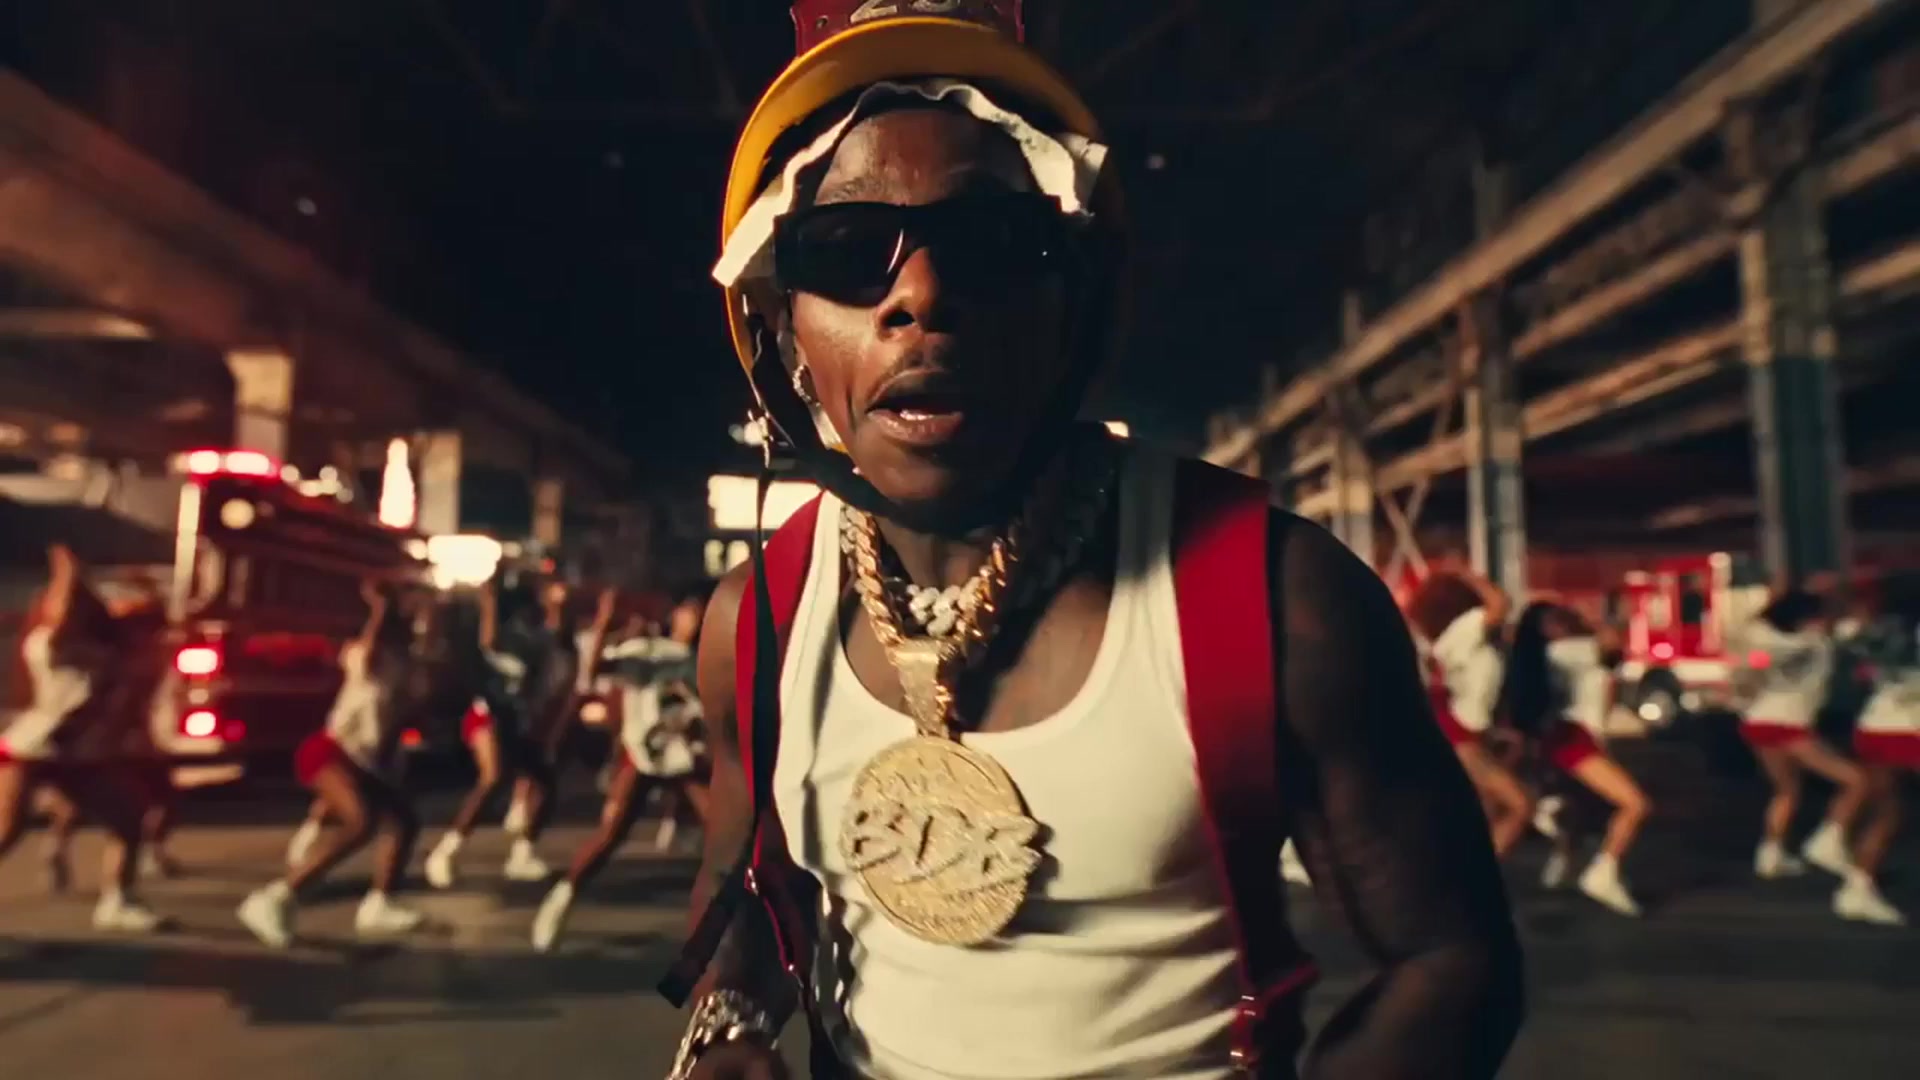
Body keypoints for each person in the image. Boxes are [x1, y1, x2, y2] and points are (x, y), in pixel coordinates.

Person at [663, 5, 1522, 1077]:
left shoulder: (1277, 600)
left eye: (990, 244)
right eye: (843, 253)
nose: (920, 296)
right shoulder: (755, 624)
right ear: (779, 326)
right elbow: (742, 886)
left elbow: (1450, 960)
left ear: (1074, 306)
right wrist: (728, 1023)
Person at [237, 581, 423, 947]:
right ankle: (274, 898)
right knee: (361, 821)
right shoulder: (361, 653)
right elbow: (371, 651)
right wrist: (381, 609)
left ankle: (378, 905)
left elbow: (396, 722)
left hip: (369, 762)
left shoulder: (406, 666)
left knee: (404, 822)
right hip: (331, 751)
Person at [532, 583, 713, 952]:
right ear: (675, 614)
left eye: (702, 612)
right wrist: (605, 620)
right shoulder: (647, 651)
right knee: (611, 833)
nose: (695, 618)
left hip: (683, 757)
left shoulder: (705, 658)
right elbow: (596, 669)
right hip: (643, 754)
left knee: (727, 832)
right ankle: (561, 898)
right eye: (690, 610)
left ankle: (740, 921)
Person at [0, 545, 164, 931]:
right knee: (7, 831)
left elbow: (145, 619)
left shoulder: (104, 648)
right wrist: (69, 570)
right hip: (33, 749)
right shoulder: (49, 644)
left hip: (78, 754)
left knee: (128, 819)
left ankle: (117, 902)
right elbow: (68, 602)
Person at [1504, 601, 1651, 916]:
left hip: (1567, 736)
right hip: (1575, 737)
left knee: (1581, 805)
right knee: (1635, 804)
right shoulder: (1570, 651)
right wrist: (1592, 619)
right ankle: (1603, 872)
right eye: (1557, 620)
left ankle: (1563, 857)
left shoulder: (1547, 656)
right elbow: (1612, 643)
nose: (1564, 624)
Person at [423, 580, 563, 887]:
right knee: (494, 778)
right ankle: (445, 853)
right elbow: (489, 639)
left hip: (514, 718)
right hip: (487, 713)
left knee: (544, 782)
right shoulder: (505, 634)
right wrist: (489, 601)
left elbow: (547, 654)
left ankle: (521, 856)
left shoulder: (540, 639)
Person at [1737, 585, 1866, 885]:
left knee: (1786, 790)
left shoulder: (1767, 641)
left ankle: (1770, 854)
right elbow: (1854, 633)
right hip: (1790, 725)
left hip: (1758, 721)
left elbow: (1753, 656)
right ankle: (1828, 839)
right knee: (1856, 780)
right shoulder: (1818, 643)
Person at [1406, 568, 1536, 858]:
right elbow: (1500, 604)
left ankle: (1466, 869)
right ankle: (1478, 874)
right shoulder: (1464, 630)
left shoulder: (1454, 639)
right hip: (1459, 736)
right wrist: (1464, 574)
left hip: (1463, 732)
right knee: (1521, 804)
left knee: (1485, 810)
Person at [1831, 578, 1916, 926]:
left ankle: (1858, 886)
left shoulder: (1876, 635)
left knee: (1888, 811)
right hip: (1909, 730)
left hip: (1874, 727)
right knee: (1889, 812)